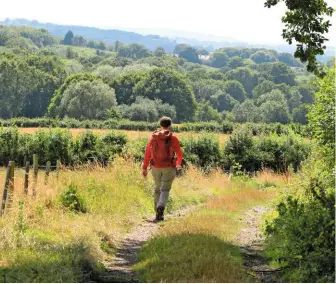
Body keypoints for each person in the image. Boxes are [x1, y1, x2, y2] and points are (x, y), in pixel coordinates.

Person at [142, 116, 183, 222]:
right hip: (168, 167)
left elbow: (147, 153)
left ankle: (157, 213)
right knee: (165, 189)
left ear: (160, 125)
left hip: (155, 167)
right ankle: (161, 207)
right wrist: (178, 164)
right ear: (170, 125)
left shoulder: (153, 137)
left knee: (157, 189)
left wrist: (144, 167)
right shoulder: (172, 138)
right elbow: (179, 153)